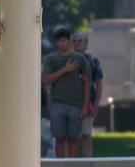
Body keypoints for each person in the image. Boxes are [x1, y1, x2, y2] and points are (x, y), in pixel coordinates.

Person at [41, 26, 90, 159]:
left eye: (64, 40)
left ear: (69, 41)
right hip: (57, 104)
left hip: (75, 104)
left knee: (73, 139)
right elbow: (45, 80)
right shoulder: (51, 59)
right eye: (59, 41)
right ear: (56, 42)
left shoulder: (79, 58)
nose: (62, 43)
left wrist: (85, 105)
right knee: (60, 138)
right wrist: (65, 70)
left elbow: (86, 82)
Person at [72, 32, 103, 157]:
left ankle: (87, 162)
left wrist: (96, 105)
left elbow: (99, 85)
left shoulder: (93, 61)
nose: (77, 43)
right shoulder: (66, 60)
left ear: (86, 44)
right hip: (70, 103)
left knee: (86, 135)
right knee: (71, 137)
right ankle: (71, 166)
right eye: (74, 41)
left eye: (80, 41)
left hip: (87, 103)